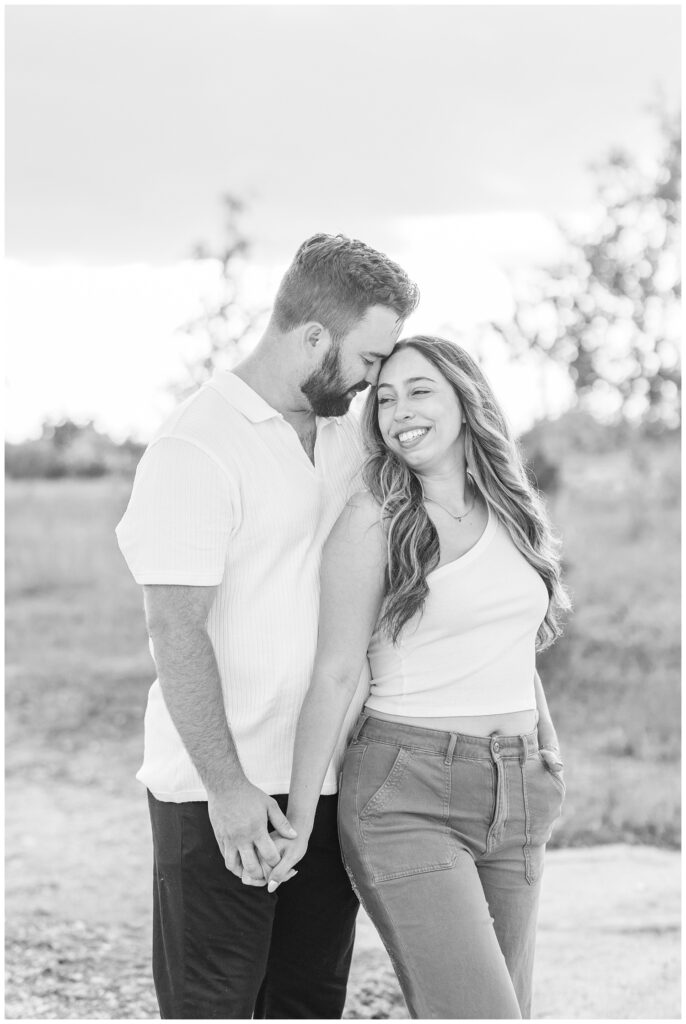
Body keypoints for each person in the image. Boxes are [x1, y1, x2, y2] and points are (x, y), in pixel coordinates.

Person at [115, 233, 419, 1019]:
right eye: (371, 358)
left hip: (324, 783)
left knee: (309, 1003)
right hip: (222, 793)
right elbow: (174, 628)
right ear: (314, 336)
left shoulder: (349, 437)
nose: (376, 379)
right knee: (213, 1005)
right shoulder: (196, 446)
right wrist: (227, 789)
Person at [265, 335, 570, 1019]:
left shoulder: (514, 511)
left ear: (466, 399)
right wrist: (302, 817)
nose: (399, 411)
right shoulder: (376, 519)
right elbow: (337, 671)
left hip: (519, 788)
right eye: (386, 398)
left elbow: (518, 642)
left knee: (509, 1009)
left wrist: (548, 758)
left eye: (421, 390)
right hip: (409, 793)